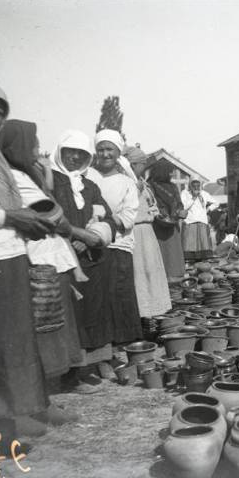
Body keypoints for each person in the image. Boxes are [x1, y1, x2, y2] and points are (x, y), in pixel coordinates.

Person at [0, 84, 64, 443]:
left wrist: (26, 223)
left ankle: (3, 424)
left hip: (8, 254)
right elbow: (2, 213)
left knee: (9, 345)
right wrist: (12, 219)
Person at [0, 120, 84, 383]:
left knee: (53, 321)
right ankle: (48, 387)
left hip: (48, 255)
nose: (37, 150)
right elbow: (54, 215)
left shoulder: (23, 173)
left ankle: (54, 383)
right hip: (40, 258)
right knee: (46, 323)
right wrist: (81, 233)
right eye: (33, 144)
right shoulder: (17, 177)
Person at [51, 130, 118, 394]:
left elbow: (108, 218)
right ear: (61, 153)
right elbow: (50, 217)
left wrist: (94, 235)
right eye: (70, 152)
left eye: (81, 153)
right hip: (65, 257)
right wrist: (77, 236)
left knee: (95, 311)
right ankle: (71, 374)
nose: (75, 157)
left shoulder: (90, 186)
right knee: (72, 315)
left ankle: (96, 363)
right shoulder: (52, 183)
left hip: (93, 257)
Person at [86, 130, 142, 346]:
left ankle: (124, 345)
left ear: (118, 152)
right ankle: (102, 347)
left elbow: (128, 215)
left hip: (118, 245)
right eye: (101, 149)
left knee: (120, 294)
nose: (105, 153)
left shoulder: (126, 182)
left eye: (110, 149)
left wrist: (104, 225)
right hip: (92, 243)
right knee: (98, 297)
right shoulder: (87, 176)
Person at [124, 146, 172, 319]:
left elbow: (150, 204)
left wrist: (155, 211)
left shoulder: (142, 183)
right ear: (132, 164)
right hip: (135, 232)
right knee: (140, 272)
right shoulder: (126, 182)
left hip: (147, 231)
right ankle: (142, 312)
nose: (143, 167)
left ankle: (153, 311)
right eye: (141, 164)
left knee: (151, 270)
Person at [148, 159, 187, 282]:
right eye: (170, 172)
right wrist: (161, 214)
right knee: (161, 254)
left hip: (172, 226)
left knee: (173, 254)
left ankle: (175, 281)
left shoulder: (173, 187)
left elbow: (179, 203)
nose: (172, 175)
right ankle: (162, 281)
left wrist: (181, 211)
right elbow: (150, 204)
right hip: (158, 227)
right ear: (162, 172)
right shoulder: (150, 186)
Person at [182, 179, 217, 260]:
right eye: (194, 185)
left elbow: (216, 203)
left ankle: (202, 262)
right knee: (190, 244)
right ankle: (190, 261)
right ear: (190, 185)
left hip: (202, 221)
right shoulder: (185, 193)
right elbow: (184, 207)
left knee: (203, 244)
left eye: (198, 185)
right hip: (190, 221)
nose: (196, 187)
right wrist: (193, 197)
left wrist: (208, 210)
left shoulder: (204, 194)